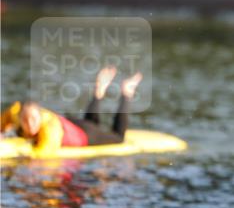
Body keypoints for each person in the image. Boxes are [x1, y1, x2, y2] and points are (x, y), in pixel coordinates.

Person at [1, 66, 143, 155]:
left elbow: (43, 155)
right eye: (25, 120)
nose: (30, 124)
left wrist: (22, 155)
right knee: (91, 123)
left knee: (118, 138)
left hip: (84, 135)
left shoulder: (49, 131)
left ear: (40, 118)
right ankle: (98, 92)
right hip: (70, 123)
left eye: (33, 120)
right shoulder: (15, 113)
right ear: (19, 118)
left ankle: (126, 92)